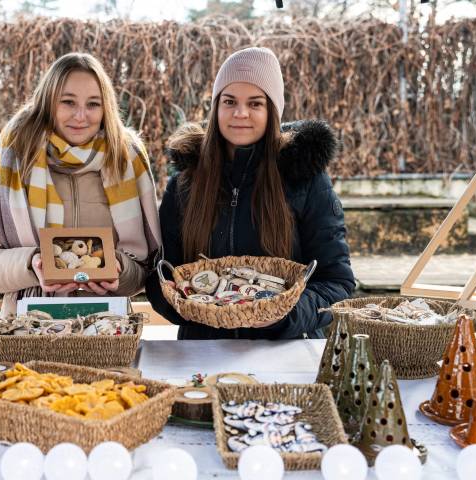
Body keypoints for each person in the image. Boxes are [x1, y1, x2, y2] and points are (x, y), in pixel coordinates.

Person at [145, 47, 354, 340]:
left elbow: (337, 283)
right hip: (203, 351)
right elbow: (161, 275)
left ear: (272, 111)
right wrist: (186, 306)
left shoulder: (306, 179)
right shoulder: (185, 184)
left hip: (286, 350)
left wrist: (284, 316)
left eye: (255, 103)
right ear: (216, 107)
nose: (240, 113)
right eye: (229, 101)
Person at [0, 52, 161, 318]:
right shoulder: (10, 163)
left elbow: (147, 269)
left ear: (106, 108)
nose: (81, 116)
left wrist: (121, 271)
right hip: (30, 328)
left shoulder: (126, 162)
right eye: (68, 102)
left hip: (107, 329)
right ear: (48, 103)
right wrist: (32, 264)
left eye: (93, 104)